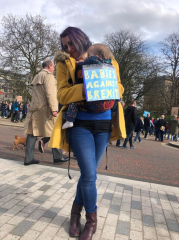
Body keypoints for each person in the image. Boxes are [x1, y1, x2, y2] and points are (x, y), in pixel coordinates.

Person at [49, 27, 126, 240]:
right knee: (90, 175)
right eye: (65, 46)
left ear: (80, 39)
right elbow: (62, 95)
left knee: (87, 175)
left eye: (71, 43)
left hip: (103, 125)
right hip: (80, 124)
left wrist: (107, 86)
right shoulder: (65, 63)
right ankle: (91, 223)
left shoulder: (107, 58)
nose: (69, 49)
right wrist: (89, 87)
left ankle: (75, 215)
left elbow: (119, 87)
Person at [24, 59, 69, 166]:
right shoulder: (49, 76)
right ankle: (58, 156)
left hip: (34, 108)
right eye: (53, 66)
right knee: (55, 131)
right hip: (45, 109)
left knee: (31, 133)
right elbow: (51, 94)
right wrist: (54, 108)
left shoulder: (37, 76)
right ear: (49, 66)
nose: (54, 68)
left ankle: (28, 158)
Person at [62, 44, 116, 130]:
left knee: (74, 100)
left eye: (89, 54)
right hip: (105, 103)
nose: (88, 56)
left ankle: (69, 119)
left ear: (96, 55)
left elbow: (86, 63)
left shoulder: (93, 59)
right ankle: (113, 118)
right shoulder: (110, 66)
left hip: (89, 98)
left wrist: (79, 63)